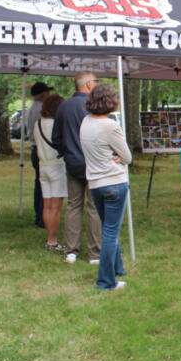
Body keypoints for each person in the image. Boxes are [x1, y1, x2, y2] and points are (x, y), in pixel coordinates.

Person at [80, 83, 132, 290]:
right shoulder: (111, 126)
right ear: (110, 102)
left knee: (108, 228)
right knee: (110, 233)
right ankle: (106, 281)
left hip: (95, 183)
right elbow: (128, 156)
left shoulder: (85, 122)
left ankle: (117, 268)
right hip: (114, 183)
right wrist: (118, 157)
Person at [52, 71, 102, 264]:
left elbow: (56, 138)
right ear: (89, 85)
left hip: (72, 163)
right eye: (96, 82)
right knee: (94, 207)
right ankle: (95, 253)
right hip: (93, 163)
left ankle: (71, 251)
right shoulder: (93, 106)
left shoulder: (63, 106)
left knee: (73, 205)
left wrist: (67, 152)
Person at [33, 93, 67, 251]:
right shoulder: (57, 124)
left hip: (43, 165)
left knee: (46, 205)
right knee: (56, 207)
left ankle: (50, 238)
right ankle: (52, 240)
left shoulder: (38, 123)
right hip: (57, 166)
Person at [28, 81, 53, 228]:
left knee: (39, 183)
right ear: (44, 95)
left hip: (35, 148)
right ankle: (43, 216)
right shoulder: (42, 110)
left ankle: (40, 215)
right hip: (41, 149)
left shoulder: (31, 109)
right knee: (45, 184)